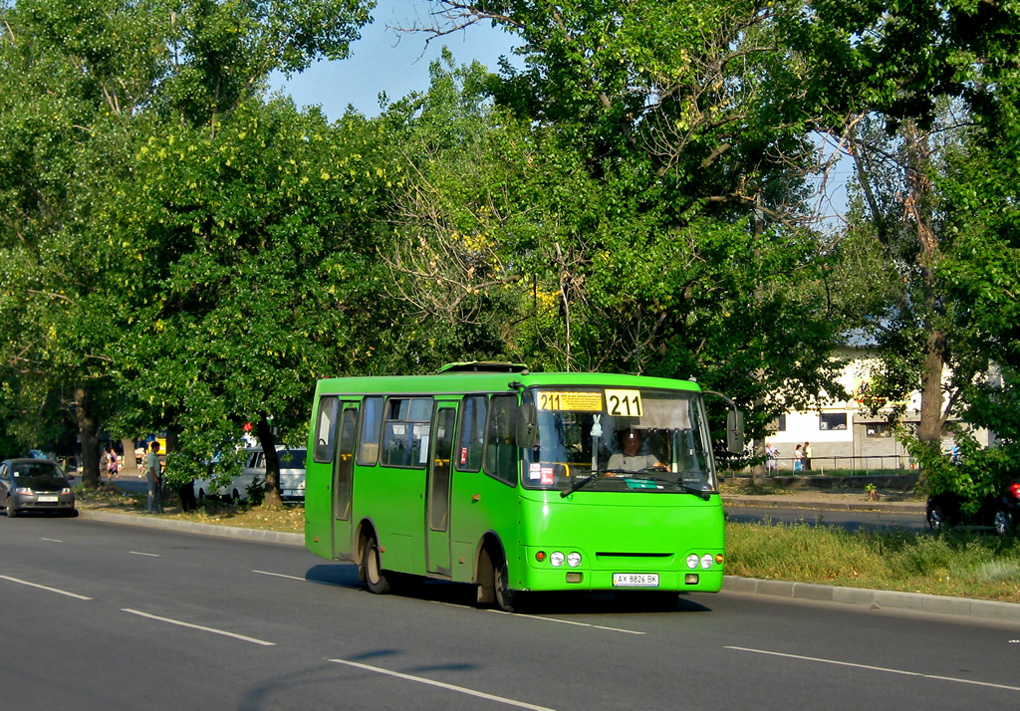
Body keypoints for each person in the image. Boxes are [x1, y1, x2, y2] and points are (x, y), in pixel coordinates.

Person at [145, 441, 163, 514]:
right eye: (158, 447)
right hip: (152, 475)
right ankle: (151, 508)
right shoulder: (151, 456)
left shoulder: (155, 456)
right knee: (152, 492)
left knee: (157, 492)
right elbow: (151, 467)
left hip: (157, 474)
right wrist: (155, 477)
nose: (159, 449)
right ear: (155, 447)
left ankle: (158, 508)